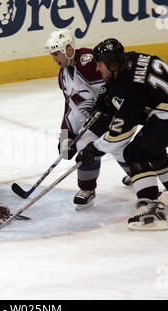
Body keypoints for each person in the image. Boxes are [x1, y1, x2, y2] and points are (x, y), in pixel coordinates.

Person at [75, 38, 168, 231]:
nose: (98, 69)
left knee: (135, 153)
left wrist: (95, 149)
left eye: (100, 64)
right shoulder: (130, 59)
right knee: (151, 148)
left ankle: (151, 209)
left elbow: (121, 133)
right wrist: (107, 98)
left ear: (112, 64)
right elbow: (123, 86)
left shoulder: (129, 88)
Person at [45, 29, 131, 210]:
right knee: (116, 148)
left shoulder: (86, 61)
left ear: (69, 49)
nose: (54, 59)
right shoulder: (64, 77)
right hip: (99, 118)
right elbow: (72, 108)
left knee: (94, 145)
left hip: (116, 112)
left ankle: (90, 189)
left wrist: (109, 106)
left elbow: (114, 81)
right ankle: (92, 188)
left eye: (56, 54)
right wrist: (66, 135)